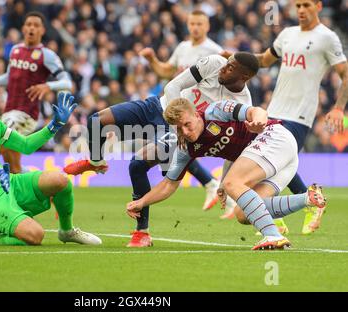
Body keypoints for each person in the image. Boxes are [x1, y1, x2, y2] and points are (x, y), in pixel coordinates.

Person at [65, 52, 257, 247]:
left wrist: (224, 182)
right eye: (227, 62)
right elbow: (173, 86)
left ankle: (142, 233)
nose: (225, 67)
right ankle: (96, 162)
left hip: (178, 130)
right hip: (157, 107)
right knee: (97, 121)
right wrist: (175, 125)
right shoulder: (215, 63)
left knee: (137, 165)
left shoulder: (242, 104)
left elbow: (235, 148)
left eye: (231, 67)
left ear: (245, 77)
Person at [126, 98, 326, 250]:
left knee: (232, 183)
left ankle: (273, 236)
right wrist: (141, 202)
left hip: (275, 137)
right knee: (243, 214)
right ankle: (308, 199)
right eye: (179, 129)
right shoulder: (185, 148)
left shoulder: (215, 111)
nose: (185, 132)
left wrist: (257, 120)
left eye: (187, 124)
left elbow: (256, 111)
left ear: (196, 114)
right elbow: (168, 185)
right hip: (279, 159)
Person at [0, 69, 101, 246]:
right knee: (35, 236)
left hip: (8, 184)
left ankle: (67, 231)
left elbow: (26, 145)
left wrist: (55, 125)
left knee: (61, 180)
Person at [245, 0, 347, 234]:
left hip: (299, 115)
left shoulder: (326, 37)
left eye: (306, 5)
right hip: (274, 111)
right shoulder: (287, 34)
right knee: (275, 164)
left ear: (318, 7)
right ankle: (306, 202)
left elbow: (345, 73)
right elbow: (263, 60)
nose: (301, 10)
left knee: (273, 163)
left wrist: (339, 107)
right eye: (298, 5)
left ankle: (279, 214)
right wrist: (237, 57)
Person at [139, 10, 230, 217]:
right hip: (177, 111)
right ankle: (212, 184)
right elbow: (166, 72)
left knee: (175, 147)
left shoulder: (214, 51)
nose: (195, 27)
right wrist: (152, 59)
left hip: (197, 115)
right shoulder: (182, 47)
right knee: (175, 148)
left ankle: (218, 186)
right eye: (192, 23)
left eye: (199, 23)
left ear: (207, 26)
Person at [0, 11, 73, 173]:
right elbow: (10, 77)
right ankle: (41, 182)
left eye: (36, 25)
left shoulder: (47, 55)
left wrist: (48, 86)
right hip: (9, 111)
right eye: (29, 24)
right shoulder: (15, 50)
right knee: (12, 164)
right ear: (23, 28)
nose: (31, 28)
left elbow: (67, 82)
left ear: (42, 31)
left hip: (26, 113)